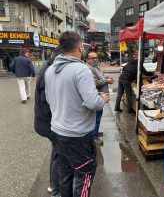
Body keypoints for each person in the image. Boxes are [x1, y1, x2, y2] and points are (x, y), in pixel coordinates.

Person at [45, 31, 109, 197]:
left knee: (65, 174)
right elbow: (92, 103)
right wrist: (102, 98)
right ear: (80, 47)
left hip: (58, 131)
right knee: (85, 173)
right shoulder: (81, 69)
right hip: (78, 136)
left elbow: (50, 99)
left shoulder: (50, 70)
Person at [34, 49, 61, 197]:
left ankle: (54, 182)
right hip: (48, 123)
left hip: (46, 121)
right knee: (58, 153)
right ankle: (54, 185)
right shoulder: (50, 72)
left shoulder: (48, 68)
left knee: (57, 152)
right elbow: (46, 101)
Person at [86, 52, 114, 145]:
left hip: (101, 96)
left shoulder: (95, 67)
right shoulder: (89, 68)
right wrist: (107, 81)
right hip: (97, 95)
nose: (95, 59)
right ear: (88, 59)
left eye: (96, 57)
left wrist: (106, 77)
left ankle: (95, 132)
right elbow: (95, 83)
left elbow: (100, 77)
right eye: (92, 58)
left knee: (98, 116)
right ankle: (93, 137)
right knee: (96, 117)